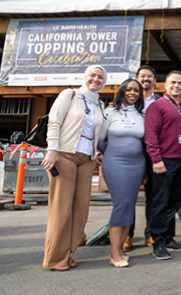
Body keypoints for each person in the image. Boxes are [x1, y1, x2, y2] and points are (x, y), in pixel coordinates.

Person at [41, 65, 107, 271]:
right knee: (61, 209)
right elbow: (55, 120)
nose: (96, 79)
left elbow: (96, 132)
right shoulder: (70, 95)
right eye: (92, 76)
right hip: (64, 155)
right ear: (85, 77)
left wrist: (98, 151)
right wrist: (52, 149)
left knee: (80, 209)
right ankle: (54, 259)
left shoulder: (100, 104)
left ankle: (68, 254)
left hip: (86, 159)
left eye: (100, 77)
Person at [145, 70, 181, 260]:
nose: (177, 86)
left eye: (180, 83)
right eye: (173, 82)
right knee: (160, 203)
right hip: (163, 162)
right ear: (165, 85)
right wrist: (156, 159)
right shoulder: (157, 106)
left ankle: (168, 238)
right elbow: (151, 136)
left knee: (174, 202)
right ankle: (157, 242)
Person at [98, 79, 147, 267]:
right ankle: (114, 253)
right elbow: (101, 141)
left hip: (137, 165)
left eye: (136, 90)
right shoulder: (110, 112)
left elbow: (144, 142)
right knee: (121, 204)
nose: (133, 93)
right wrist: (114, 153)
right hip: (115, 163)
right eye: (129, 89)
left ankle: (119, 249)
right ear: (122, 91)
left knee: (129, 205)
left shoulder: (141, 115)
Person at [125, 65, 162, 251]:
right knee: (129, 195)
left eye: (149, 76)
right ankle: (127, 235)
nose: (146, 79)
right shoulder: (129, 102)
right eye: (142, 76)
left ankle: (150, 234)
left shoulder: (161, 102)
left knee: (153, 195)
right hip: (132, 152)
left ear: (155, 80)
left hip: (153, 153)